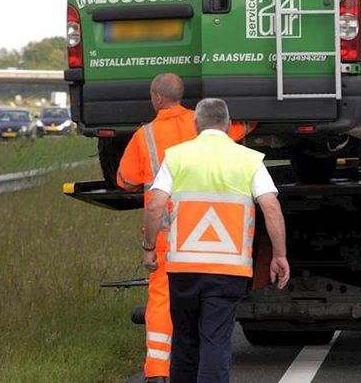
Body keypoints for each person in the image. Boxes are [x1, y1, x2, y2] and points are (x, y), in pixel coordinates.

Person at [141, 98, 289, 383]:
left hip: (183, 270)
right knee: (216, 341)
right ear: (228, 125)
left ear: (196, 124)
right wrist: (279, 255)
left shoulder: (177, 156)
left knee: (185, 341)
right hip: (228, 270)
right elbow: (271, 208)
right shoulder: (249, 160)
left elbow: (155, 205)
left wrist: (149, 247)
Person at [118, 74, 254, 382]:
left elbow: (124, 179)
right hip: (202, 232)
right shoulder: (203, 124)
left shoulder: (146, 135)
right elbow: (242, 128)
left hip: (163, 232)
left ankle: (156, 370)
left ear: (157, 98)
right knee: (205, 311)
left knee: (162, 299)